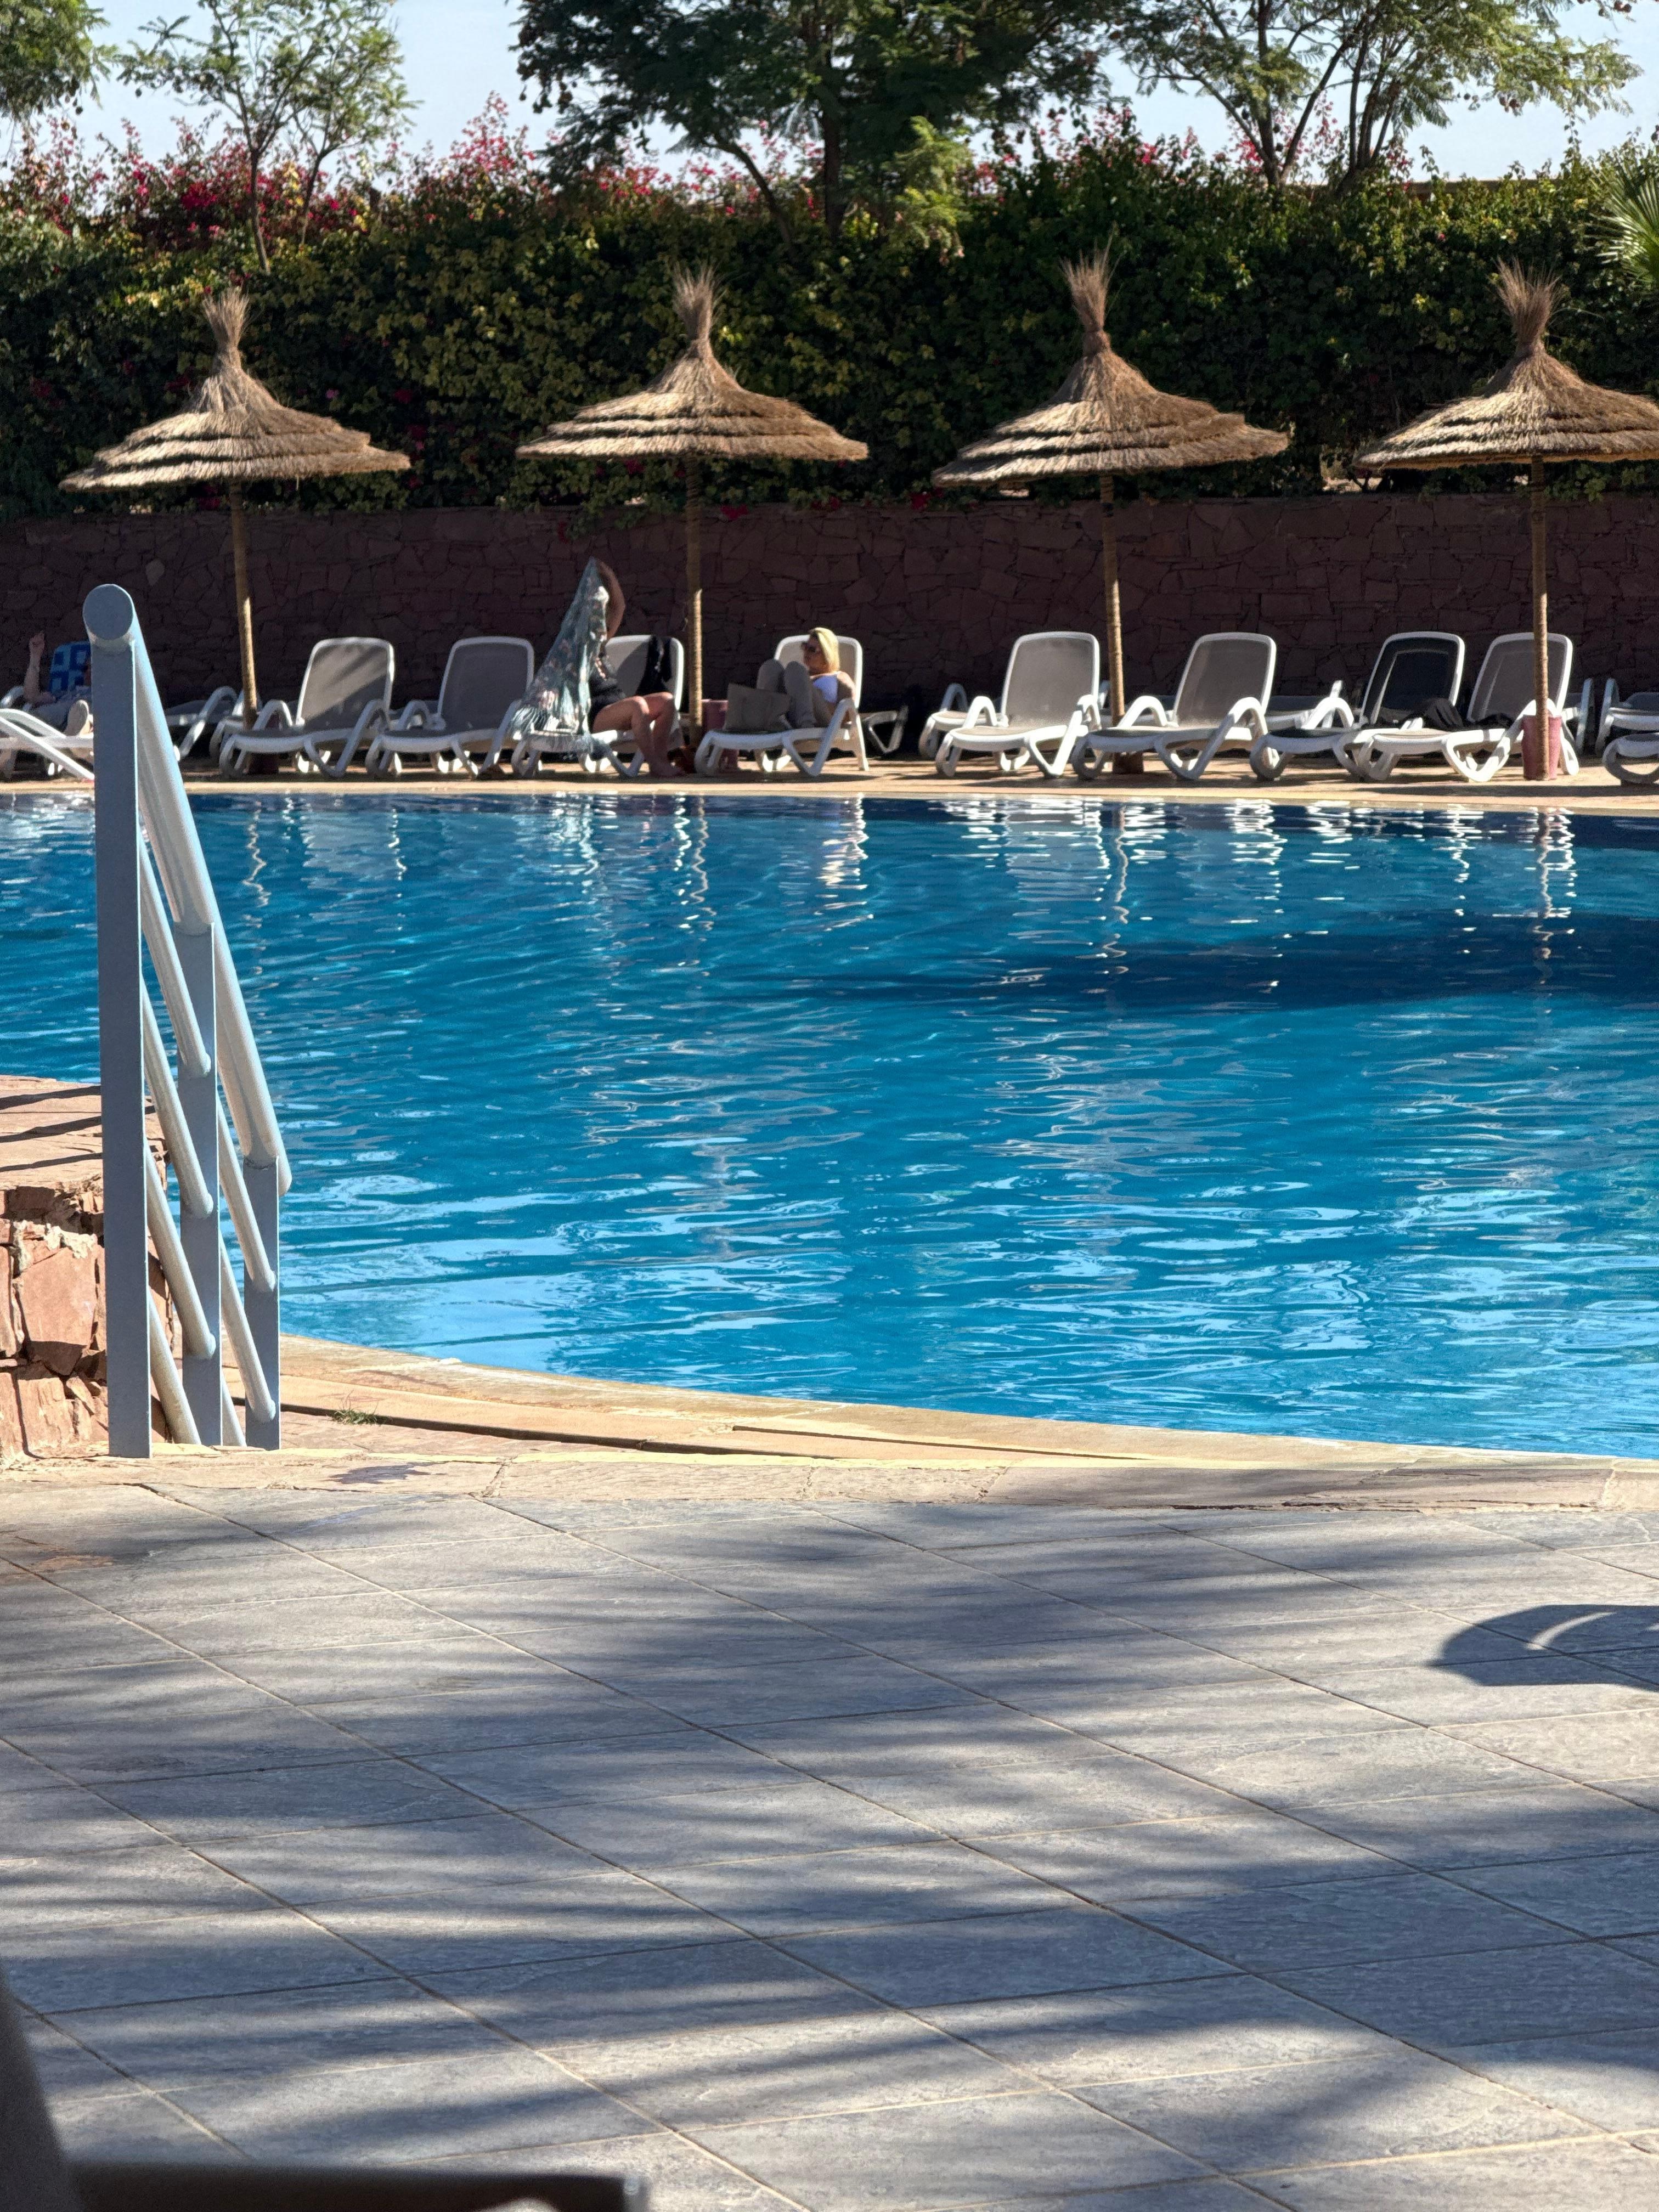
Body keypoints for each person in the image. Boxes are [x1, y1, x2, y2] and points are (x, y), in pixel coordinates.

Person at [587, 561, 682, 776]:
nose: (601, 628)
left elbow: (619, 607)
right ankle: (655, 764)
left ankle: (661, 761)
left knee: (666, 701)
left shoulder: (600, 645)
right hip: (596, 716)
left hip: (618, 708)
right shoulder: (575, 654)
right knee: (637, 704)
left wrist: (610, 576)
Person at [754, 627, 855, 731]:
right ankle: (766, 722)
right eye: (805, 647)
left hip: (822, 722)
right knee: (771, 666)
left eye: (812, 650)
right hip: (790, 716)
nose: (806, 652)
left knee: (794, 667)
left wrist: (816, 697)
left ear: (827, 654)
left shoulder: (839, 677)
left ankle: (806, 727)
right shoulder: (798, 675)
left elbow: (849, 712)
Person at [17, 635, 92, 735]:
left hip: (90, 719)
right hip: (54, 723)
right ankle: (71, 737)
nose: (89, 671)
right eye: (86, 668)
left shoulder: (107, 694)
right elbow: (32, 698)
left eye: (95, 668)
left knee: (86, 713)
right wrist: (35, 657)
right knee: (58, 710)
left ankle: (74, 733)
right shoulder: (68, 692)